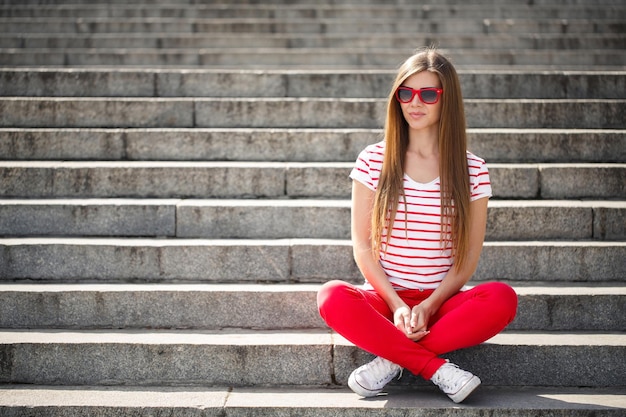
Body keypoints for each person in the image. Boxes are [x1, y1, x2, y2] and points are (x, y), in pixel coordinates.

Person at [316, 48, 518, 403]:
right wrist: (396, 306)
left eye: (428, 93)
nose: (415, 102)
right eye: (405, 93)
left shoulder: (473, 169)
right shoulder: (372, 159)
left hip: (442, 304)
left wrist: (429, 305)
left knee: (502, 298)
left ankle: (390, 360)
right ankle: (436, 369)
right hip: (384, 298)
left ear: (446, 100)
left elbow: (467, 258)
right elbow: (363, 247)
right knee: (332, 296)